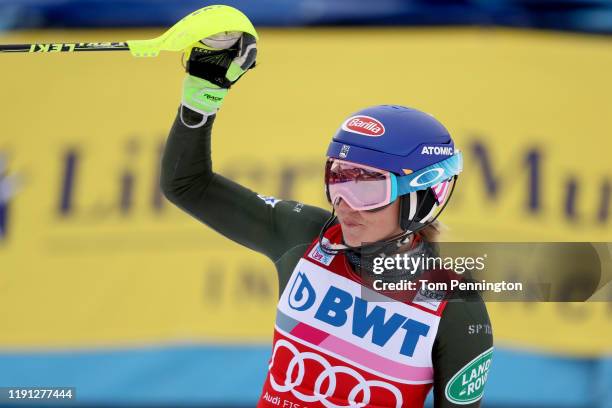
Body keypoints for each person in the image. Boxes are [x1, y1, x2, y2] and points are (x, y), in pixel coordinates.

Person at [161, 30, 493, 408]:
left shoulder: (452, 302)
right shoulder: (302, 235)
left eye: (368, 189)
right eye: (338, 179)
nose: (346, 204)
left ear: (422, 198)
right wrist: (203, 95)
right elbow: (186, 185)